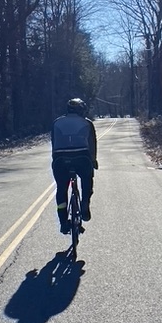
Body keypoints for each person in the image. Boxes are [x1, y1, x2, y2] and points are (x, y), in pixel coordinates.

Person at [51, 98, 98, 234]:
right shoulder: (87, 123)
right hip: (82, 157)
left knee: (61, 189)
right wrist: (93, 161)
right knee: (87, 180)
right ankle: (85, 204)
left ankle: (63, 222)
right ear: (82, 110)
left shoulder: (56, 122)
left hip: (60, 159)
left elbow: (54, 143)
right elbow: (92, 144)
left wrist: (55, 161)